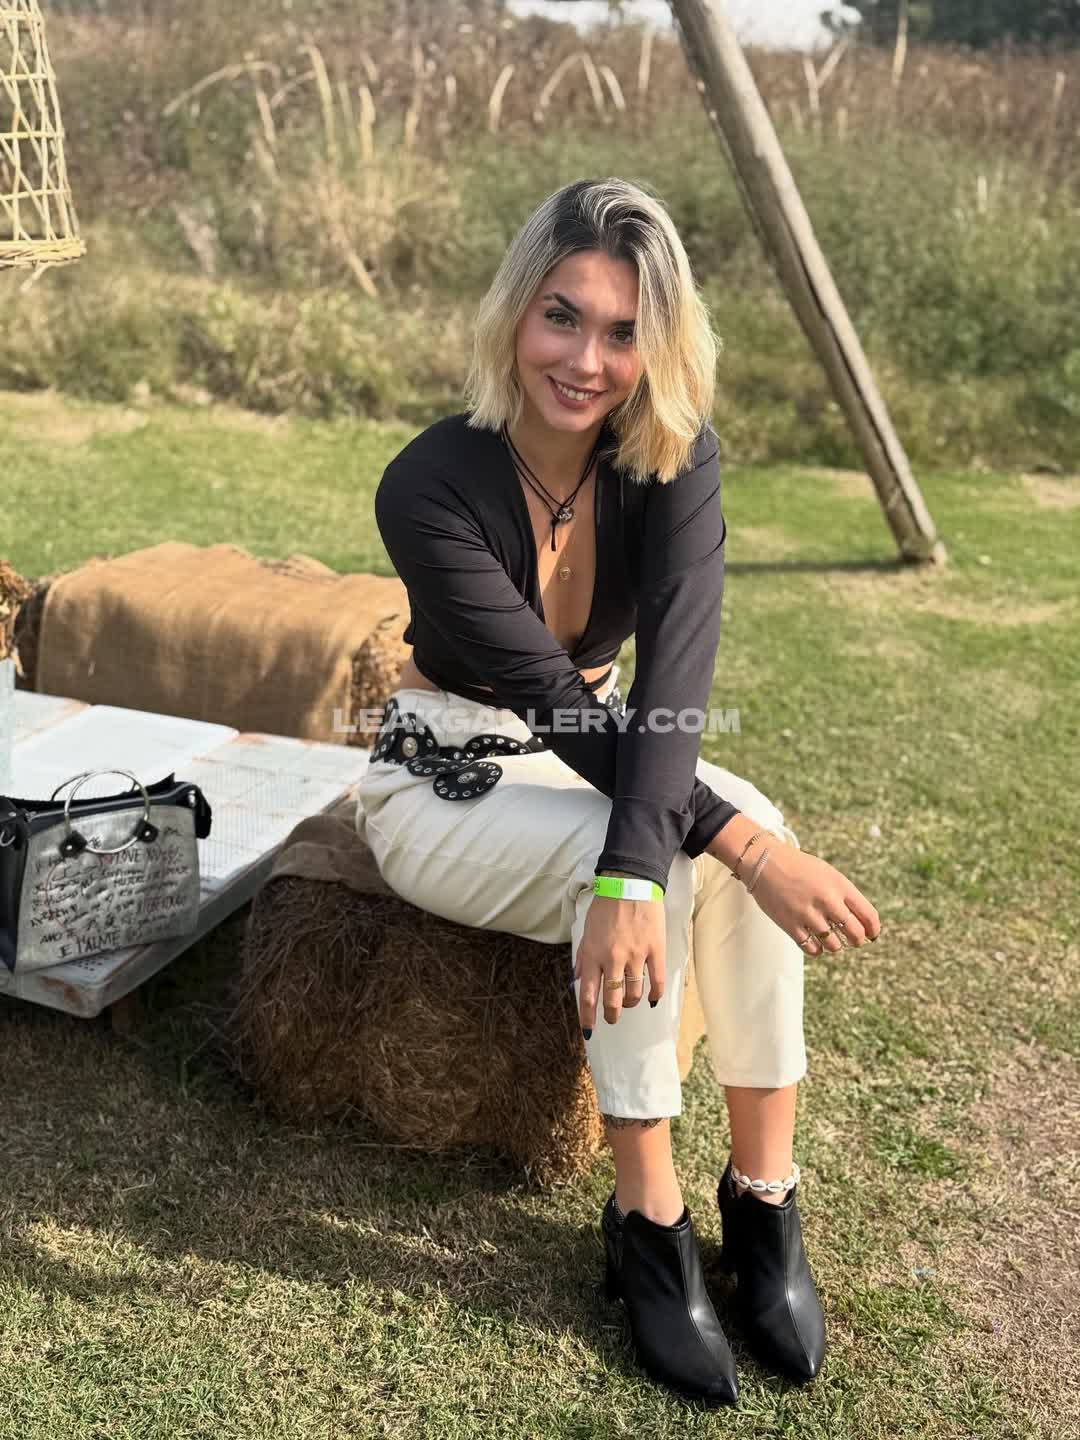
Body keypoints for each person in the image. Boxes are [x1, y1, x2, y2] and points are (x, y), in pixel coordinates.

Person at [356, 176, 881, 1407]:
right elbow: (552, 699)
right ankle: (647, 1222)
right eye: (562, 316)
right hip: (446, 774)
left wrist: (739, 838)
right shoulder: (427, 483)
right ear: (515, 314)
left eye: (622, 332)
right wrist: (714, 857)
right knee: (655, 861)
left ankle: (764, 1204)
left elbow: (674, 677)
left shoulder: (674, 456)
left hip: (603, 741)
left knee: (720, 827)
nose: (585, 361)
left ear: (661, 345)